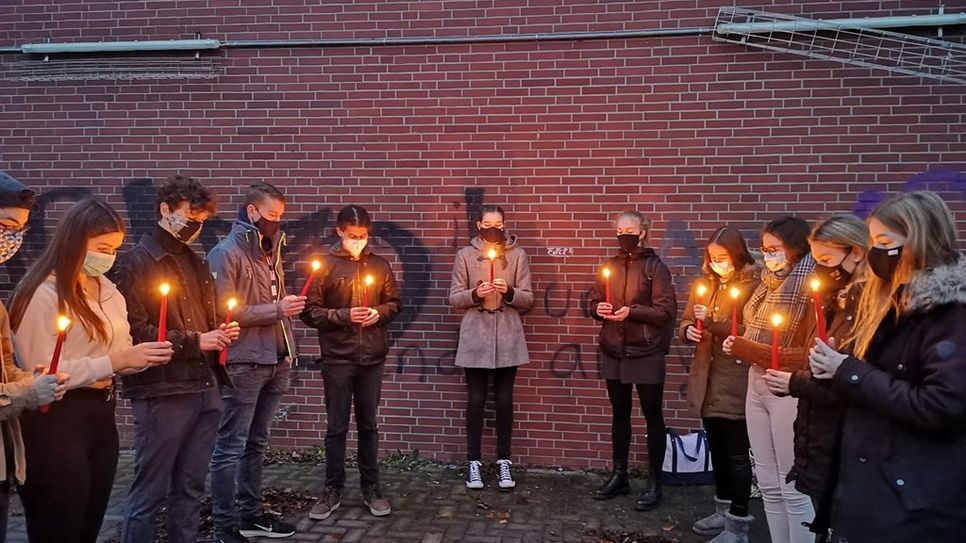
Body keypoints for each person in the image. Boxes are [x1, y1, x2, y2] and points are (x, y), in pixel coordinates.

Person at [10, 198, 173, 543]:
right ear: (75, 241)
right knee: (58, 524)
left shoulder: (109, 290)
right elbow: (37, 370)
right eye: (102, 248)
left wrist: (139, 357)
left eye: (114, 249)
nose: (109, 257)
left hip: (101, 414)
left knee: (89, 521)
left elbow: (121, 345)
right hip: (54, 418)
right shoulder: (42, 293)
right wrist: (112, 363)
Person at [809, 191, 966, 543]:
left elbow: (942, 405)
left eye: (884, 242)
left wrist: (849, 371)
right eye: (872, 242)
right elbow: (876, 385)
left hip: (913, 501)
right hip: (871, 489)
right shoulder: (889, 303)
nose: (875, 254)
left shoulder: (951, 314)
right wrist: (833, 369)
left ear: (919, 240)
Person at [110, 175, 239, 543]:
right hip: (163, 391)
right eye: (189, 217)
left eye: (201, 220)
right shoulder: (137, 262)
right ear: (165, 210)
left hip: (205, 385)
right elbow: (135, 332)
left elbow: (205, 318)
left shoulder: (195, 262)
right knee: (149, 492)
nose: (195, 226)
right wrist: (197, 340)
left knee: (191, 488)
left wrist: (222, 331)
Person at [760, 213, 868, 541]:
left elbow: (853, 382)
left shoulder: (867, 308)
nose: (819, 268)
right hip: (820, 434)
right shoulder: (836, 299)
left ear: (857, 252)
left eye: (825, 259)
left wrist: (796, 382)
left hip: (849, 440)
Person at [207, 183, 301, 542]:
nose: (276, 222)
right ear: (252, 211)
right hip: (244, 362)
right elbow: (224, 311)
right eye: (271, 215)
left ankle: (251, 514)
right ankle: (224, 525)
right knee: (230, 445)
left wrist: (286, 336)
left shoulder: (269, 251)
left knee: (256, 443)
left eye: (280, 216)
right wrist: (278, 310)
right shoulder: (226, 253)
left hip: (276, 358)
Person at [300, 205, 401, 520]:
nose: (358, 240)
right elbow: (309, 311)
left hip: (372, 356)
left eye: (363, 236)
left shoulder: (380, 265)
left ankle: (372, 487)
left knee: (369, 425)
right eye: (353, 235)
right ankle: (332, 489)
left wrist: (379, 313)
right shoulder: (324, 266)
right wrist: (343, 315)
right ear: (340, 232)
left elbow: (394, 303)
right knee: (337, 426)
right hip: (338, 357)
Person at [722, 216, 816, 543]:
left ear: (796, 248)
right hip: (756, 382)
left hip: (789, 388)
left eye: (775, 249)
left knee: (792, 486)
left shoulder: (812, 286)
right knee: (768, 483)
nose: (768, 256)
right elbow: (751, 332)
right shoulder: (766, 282)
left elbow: (810, 351)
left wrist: (751, 349)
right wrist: (744, 347)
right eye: (764, 250)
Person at [589, 210, 676, 511]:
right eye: (619, 229)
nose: (623, 234)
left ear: (643, 232)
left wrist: (633, 311)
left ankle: (655, 482)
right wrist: (596, 307)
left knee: (653, 417)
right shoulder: (611, 265)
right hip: (615, 349)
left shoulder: (656, 267)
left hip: (646, 352)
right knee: (620, 414)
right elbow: (595, 298)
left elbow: (666, 312)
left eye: (630, 229)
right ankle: (620, 475)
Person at [0, 171, 67, 542]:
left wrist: (30, 378)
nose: (12, 239)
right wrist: (28, 395)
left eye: (19, 230)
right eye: (6, 226)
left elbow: (6, 368)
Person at [680, 227, 759, 539]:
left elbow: (751, 331)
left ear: (737, 255)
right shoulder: (706, 284)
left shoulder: (754, 286)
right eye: (712, 258)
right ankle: (722, 510)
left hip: (735, 381)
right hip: (708, 381)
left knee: (737, 454)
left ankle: (738, 523)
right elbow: (687, 320)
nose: (716, 264)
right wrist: (689, 330)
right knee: (718, 450)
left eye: (722, 258)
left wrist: (713, 322)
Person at [448, 205, 533, 491]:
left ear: (505, 224)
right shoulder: (465, 255)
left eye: (498, 223)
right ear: (478, 225)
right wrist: (475, 293)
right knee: (475, 400)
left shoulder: (518, 255)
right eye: (488, 223)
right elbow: (455, 297)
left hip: (508, 336)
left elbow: (527, 299)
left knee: (505, 401)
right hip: (476, 337)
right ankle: (473, 461)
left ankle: (503, 461)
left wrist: (508, 292)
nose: (493, 228)